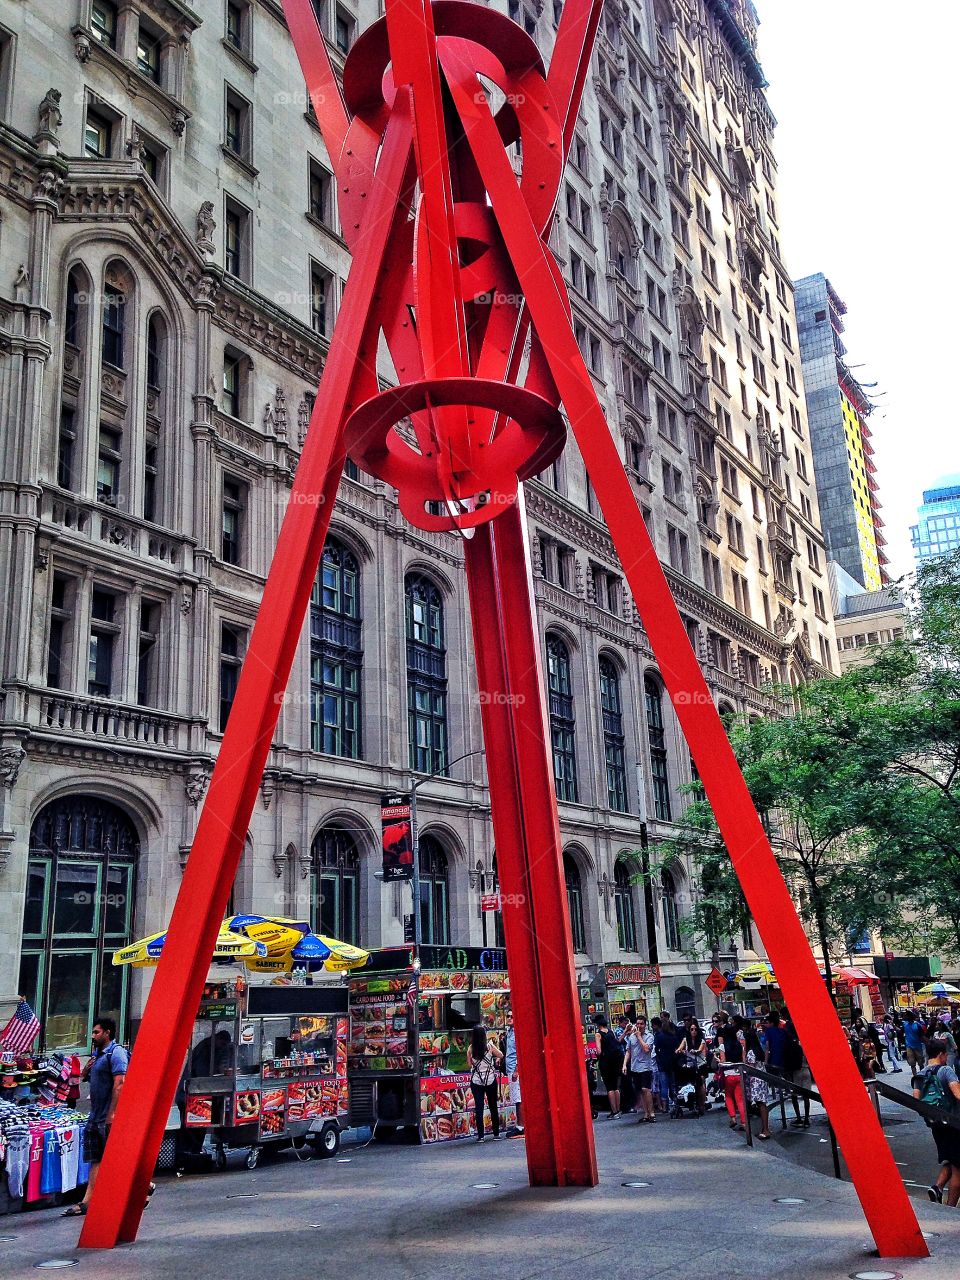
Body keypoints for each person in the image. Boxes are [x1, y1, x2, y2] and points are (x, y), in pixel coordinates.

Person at [63, 1017, 153, 1217]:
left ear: (107, 1033)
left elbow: (120, 1083)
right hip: (96, 1116)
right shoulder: (99, 1055)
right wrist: (86, 1070)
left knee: (117, 1158)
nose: (93, 1036)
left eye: (96, 1032)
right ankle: (87, 1202)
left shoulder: (116, 1053)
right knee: (96, 1158)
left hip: (107, 1116)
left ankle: (144, 1185)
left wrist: (113, 1113)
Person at [912, 1036, 960, 1206]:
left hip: (936, 1125)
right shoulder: (946, 1071)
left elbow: (916, 1101)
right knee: (958, 1170)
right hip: (954, 1124)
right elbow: (958, 1095)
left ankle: (938, 1187)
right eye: (946, 1054)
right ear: (941, 1054)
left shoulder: (920, 1075)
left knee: (951, 1159)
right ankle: (950, 1208)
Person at [467, 1024, 503, 1141]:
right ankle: (496, 1134)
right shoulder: (489, 1046)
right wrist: (494, 1059)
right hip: (490, 1080)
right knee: (493, 1106)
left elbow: (469, 1064)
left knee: (479, 1108)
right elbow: (501, 1055)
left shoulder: (470, 1048)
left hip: (477, 1081)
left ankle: (481, 1136)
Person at [716, 1013, 747, 1130]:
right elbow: (743, 1061)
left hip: (728, 1075)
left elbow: (723, 1063)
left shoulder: (723, 1046)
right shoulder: (740, 1045)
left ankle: (733, 1118)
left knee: (728, 1096)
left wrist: (718, 1060)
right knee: (739, 1098)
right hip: (739, 1074)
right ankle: (744, 1122)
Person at [623, 1015, 656, 1122]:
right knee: (640, 1091)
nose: (639, 1026)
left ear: (645, 1025)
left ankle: (652, 1113)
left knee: (646, 1089)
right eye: (637, 1024)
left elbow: (646, 1049)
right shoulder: (631, 1037)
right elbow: (628, 1051)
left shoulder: (649, 1036)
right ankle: (646, 1113)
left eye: (641, 1024)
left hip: (645, 1067)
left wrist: (639, 1036)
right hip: (635, 1067)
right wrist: (624, 1064)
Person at [781, 1010, 811, 1127]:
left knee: (794, 1095)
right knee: (806, 1096)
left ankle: (799, 1117)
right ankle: (807, 1119)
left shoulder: (790, 1045)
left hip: (796, 1072)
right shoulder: (803, 1044)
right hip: (806, 1070)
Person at [744, 1025, 775, 1140]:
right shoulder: (759, 1050)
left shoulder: (751, 1052)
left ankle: (766, 1130)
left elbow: (750, 1068)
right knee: (762, 1104)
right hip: (761, 1080)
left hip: (755, 1081)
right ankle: (765, 1128)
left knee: (761, 1104)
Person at [594, 1015, 624, 1118]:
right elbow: (617, 1042)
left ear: (598, 1024)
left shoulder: (598, 1034)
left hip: (605, 1062)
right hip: (615, 1062)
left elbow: (598, 1051)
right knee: (616, 1086)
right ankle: (618, 1110)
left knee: (609, 1087)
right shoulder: (611, 1032)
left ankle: (614, 1111)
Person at [652, 1015, 680, 1113]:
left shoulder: (659, 1036)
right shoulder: (673, 1037)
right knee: (673, 1084)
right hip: (672, 1062)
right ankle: (676, 1103)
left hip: (662, 1063)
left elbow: (655, 1049)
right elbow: (677, 1049)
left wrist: (659, 1057)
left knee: (663, 1086)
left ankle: (664, 1106)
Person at [503, 1012, 523, 1135]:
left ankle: (520, 1126)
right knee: (516, 1098)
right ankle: (519, 1124)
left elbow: (519, 1052)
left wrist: (517, 1069)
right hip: (509, 1068)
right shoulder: (509, 1032)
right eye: (508, 1016)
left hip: (514, 1069)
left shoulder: (517, 1033)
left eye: (512, 1016)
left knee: (518, 1098)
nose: (509, 1018)